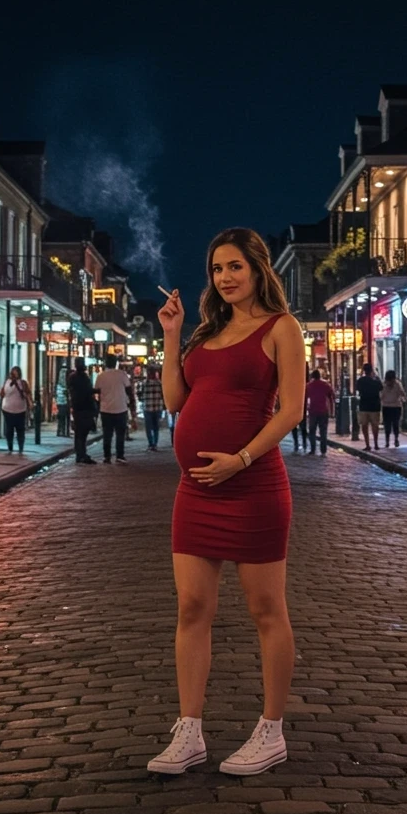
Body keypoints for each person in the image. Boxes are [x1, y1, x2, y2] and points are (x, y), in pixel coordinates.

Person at [150, 227, 306, 777]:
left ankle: (271, 732)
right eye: (217, 269)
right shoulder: (204, 334)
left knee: (267, 611)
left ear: (258, 269)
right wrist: (171, 335)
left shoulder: (281, 328)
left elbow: (291, 411)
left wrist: (239, 459)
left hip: (254, 486)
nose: (225, 278)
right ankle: (189, 732)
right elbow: (175, 400)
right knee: (192, 607)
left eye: (235, 266)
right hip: (195, 491)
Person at [94, 354, 134, 463]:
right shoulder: (122, 375)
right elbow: (129, 390)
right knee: (120, 434)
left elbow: (96, 390)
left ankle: (107, 456)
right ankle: (119, 456)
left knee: (107, 434)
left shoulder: (101, 376)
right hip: (121, 408)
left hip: (105, 409)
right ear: (116, 363)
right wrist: (131, 404)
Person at [67, 358, 97, 464]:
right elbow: (88, 391)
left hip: (78, 407)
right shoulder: (83, 377)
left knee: (80, 432)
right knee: (82, 433)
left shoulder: (73, 377)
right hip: (84, 408)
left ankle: (80, 454)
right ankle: (81, 454)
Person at [0, 366, 32, 455]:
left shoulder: (23, 383)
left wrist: (28, 398)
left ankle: (20, 447)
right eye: (13, 372)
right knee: (9, 429)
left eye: (16, 372)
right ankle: (10, 447)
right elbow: (3, 393)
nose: (14, 374)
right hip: (7, 409)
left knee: (20, 430)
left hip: (20, 410)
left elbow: (28, 393)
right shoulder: (7, 382)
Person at [354, 363, 383, 451]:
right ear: (371, 371)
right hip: (375, 406)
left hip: (363, 405)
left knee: (364, 426)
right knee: (375, 426)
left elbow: (357, 388)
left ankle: (367, 444)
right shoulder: (375, 381)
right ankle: (376, 444)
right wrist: (376, 376)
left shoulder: (360, 381)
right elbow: (381, 387)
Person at [304, 370, 334, 455]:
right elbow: (331, 396)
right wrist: (332, 410)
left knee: (312, 431)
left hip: (313, 410)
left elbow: (305, 398)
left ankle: (313, 449)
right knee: (323, 431)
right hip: (323, 410)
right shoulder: (325, 385)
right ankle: (323, 450)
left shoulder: (309, 386)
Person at [141, 365, 166, 451]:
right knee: (156, 427)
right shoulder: (160, 383)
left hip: (147, 408)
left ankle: (151, 443)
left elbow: (139, 395)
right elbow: (163, 395)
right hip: (157, 408)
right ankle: (154, 444)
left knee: (149, 427)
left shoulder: (144, 384)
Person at [379, 369, 406, 449]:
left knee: (388, 424)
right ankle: (396, 439)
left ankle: (388, 441)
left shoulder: (384, 385)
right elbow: (402, 393)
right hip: (396, 406)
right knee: (395, 424)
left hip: (387, 406)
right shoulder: (397, 384)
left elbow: (381, 396)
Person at [291, 365, 308, 452]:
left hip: (300, 410)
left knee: (300, 428)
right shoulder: (303, 386)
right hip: (298, 410)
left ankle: (298, 443)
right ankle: (300, 443)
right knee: (301, 428)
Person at [54, 368, 70, 437]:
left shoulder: (58, 384)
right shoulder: (63, 385)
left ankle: (60, 431)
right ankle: (62, 431)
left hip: (60, 402)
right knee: (63, 417)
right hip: (63, 402)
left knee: (61, 417)